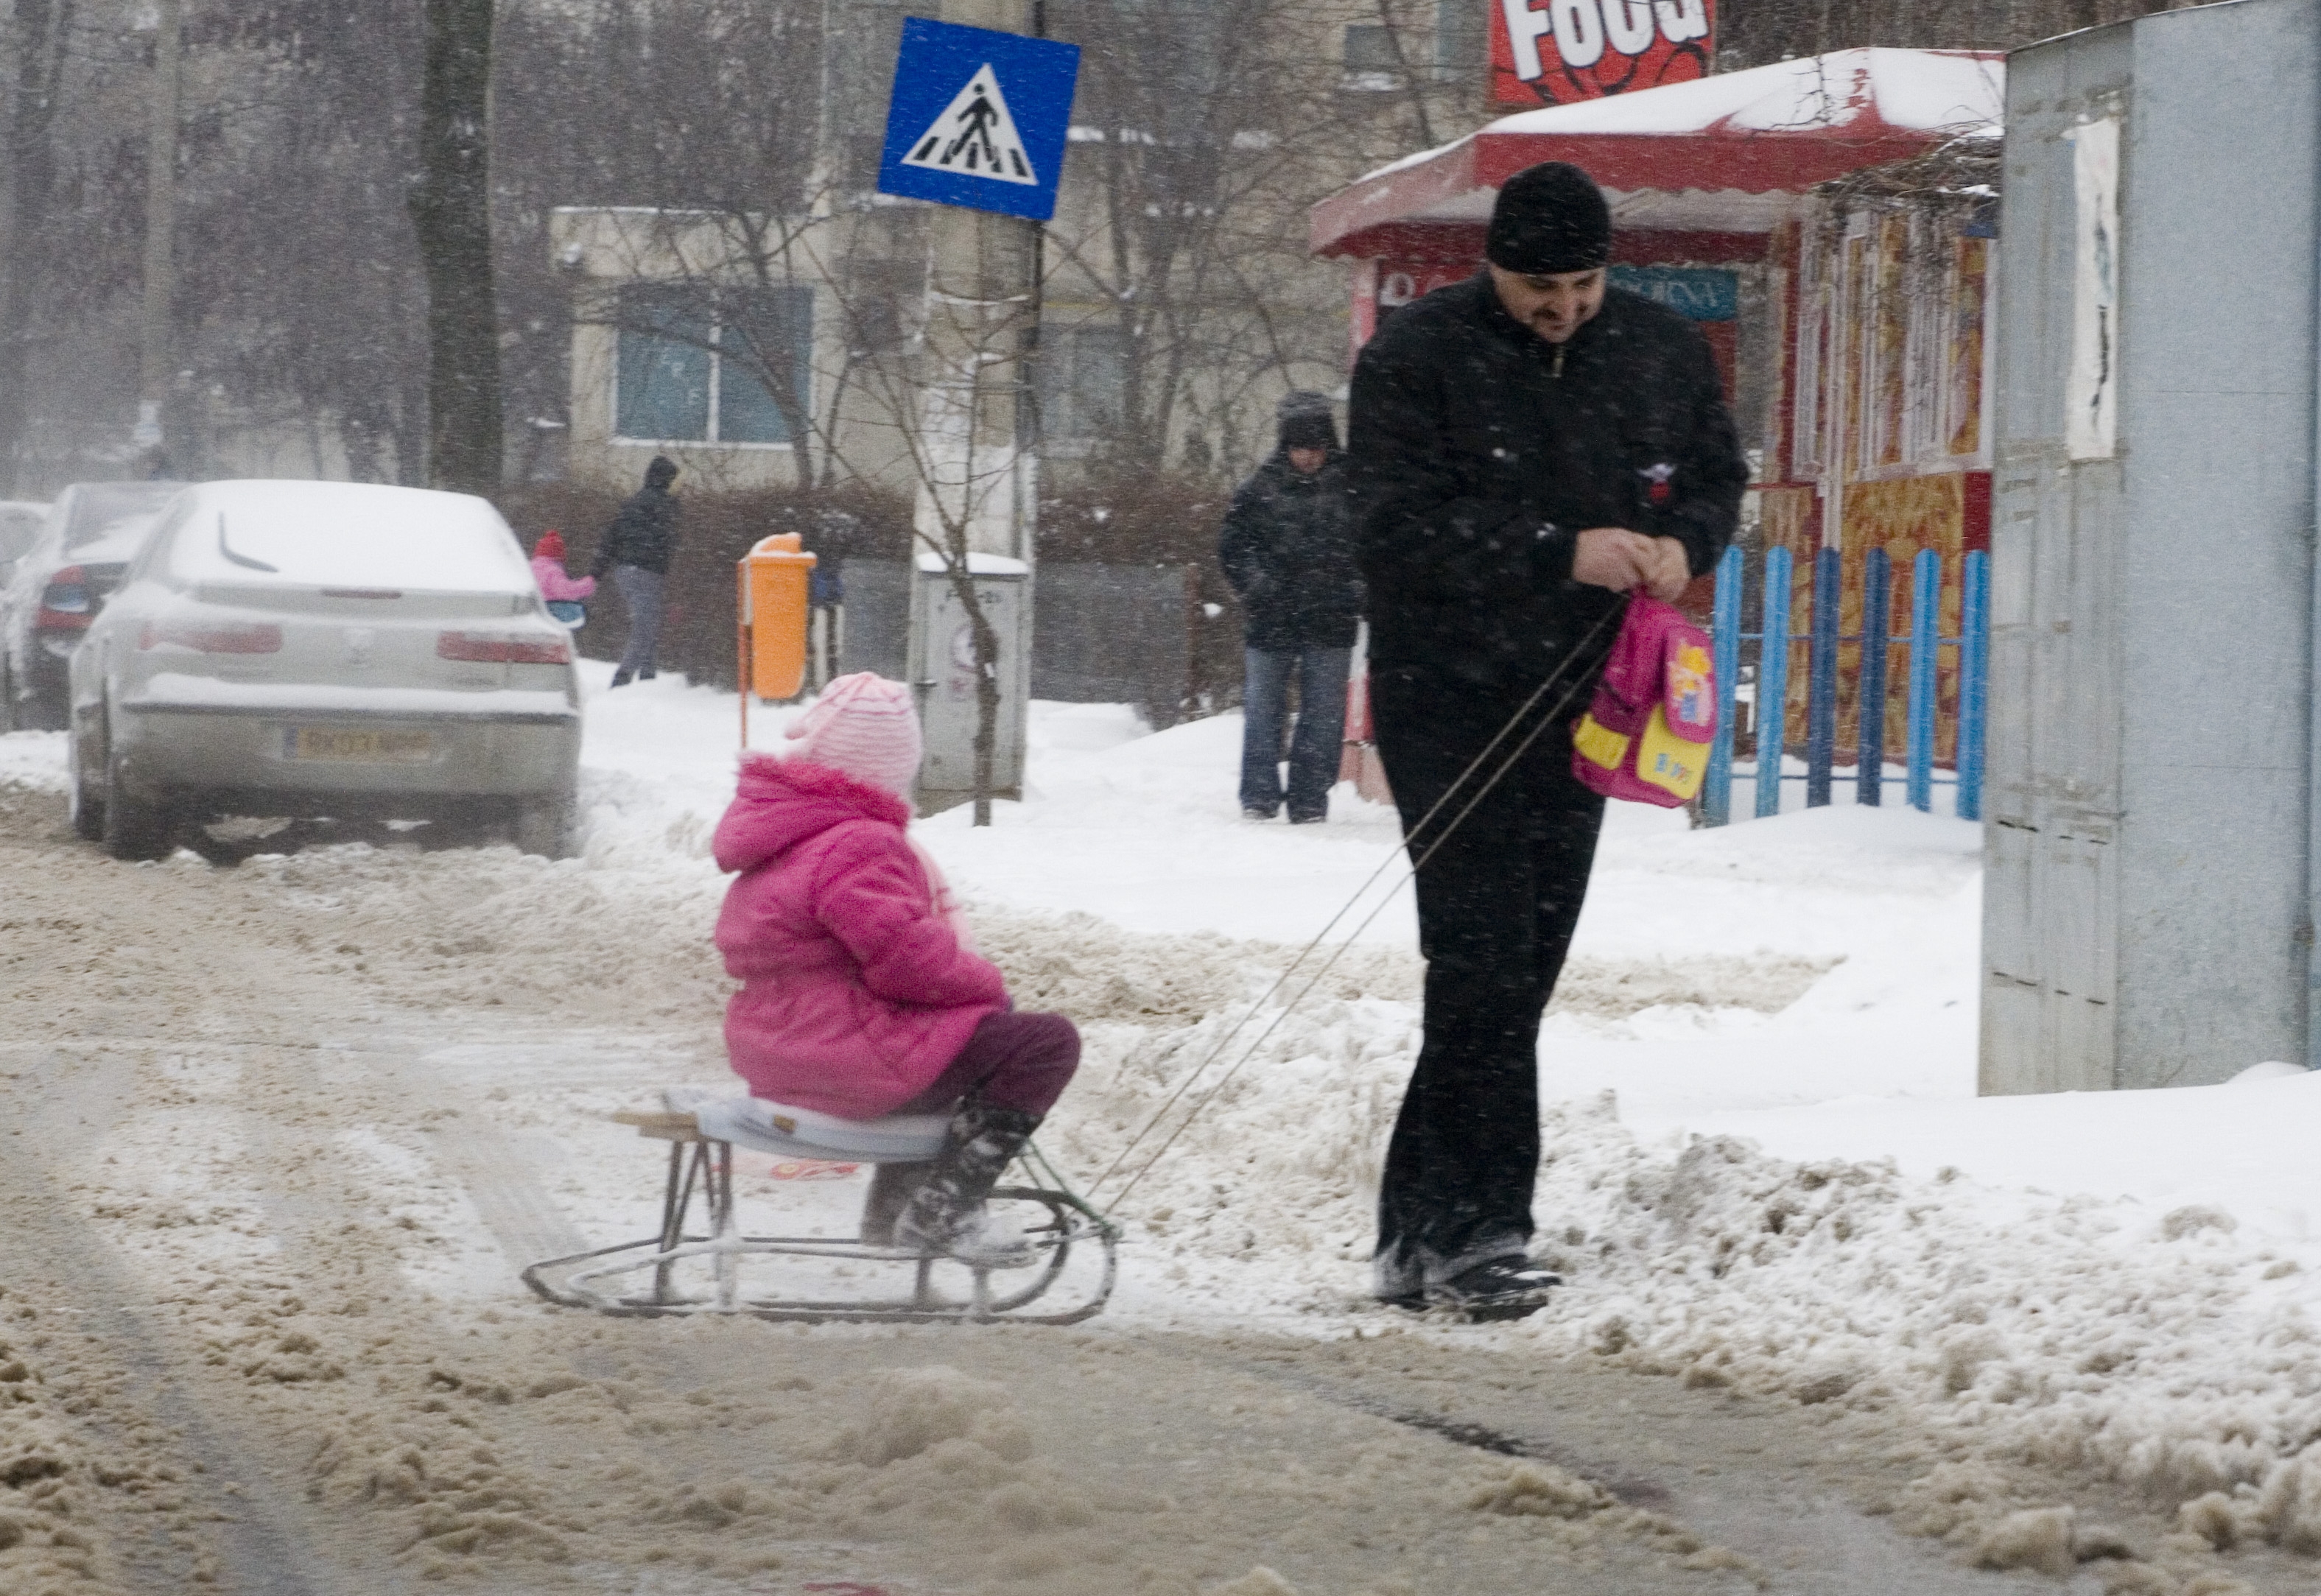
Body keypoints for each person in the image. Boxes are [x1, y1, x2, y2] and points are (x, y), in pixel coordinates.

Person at [1347, 162, 1747, 1319]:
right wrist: (1550, 546)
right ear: (1493, 268)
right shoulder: (1416, 357)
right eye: (1536, 288)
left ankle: (1414, 1225)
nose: (1560, 308)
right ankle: (1480, 1231)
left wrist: (1686, 543)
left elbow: (1715, 477)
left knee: (1520, 967)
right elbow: (1385, 525)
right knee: (1475, 957)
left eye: (1579, 284)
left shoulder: (1658, 352)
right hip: (1448, 695)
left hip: (1592, 698)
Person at [711, 672, 1081, 1265]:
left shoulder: (789, 834)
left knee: (953, 1040)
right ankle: (944, 1210)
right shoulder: (857, 843)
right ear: (891, 767)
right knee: (1042, 1042)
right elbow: (910, 965)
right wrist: (988, 986)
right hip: (840, 1054)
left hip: (782, 1046)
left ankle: (895, 1211)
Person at [1218, 390, 1363, 823]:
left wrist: (1356, 589)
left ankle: (1309, 800)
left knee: (1323, 716)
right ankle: (1259, 796)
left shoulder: (1354, 489)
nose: (1308, 458)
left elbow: (1376, 545)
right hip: (1272, 617)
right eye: (1301, 448)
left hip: (1331, 617)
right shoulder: (1259, 489)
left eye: (1316, 449)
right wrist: (1258, 587)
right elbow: (1232, 546)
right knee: (1264, 712)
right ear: (1287, 446)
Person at [592, 454, 681, 686]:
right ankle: (624, 676)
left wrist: (596, 573)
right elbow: (671, 541)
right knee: (646, 624)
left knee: (649, 620)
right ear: (668, 480)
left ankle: (647, 677)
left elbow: (611, 537)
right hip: (648, 572)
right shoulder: (667, 505)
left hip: (624, 571)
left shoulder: (633, 502)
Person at [529, 530, 596, 602]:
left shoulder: (527, 568)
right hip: (550, 610)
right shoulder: (552, 571)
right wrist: (587, 585)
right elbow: (566, 591)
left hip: (530, 609)